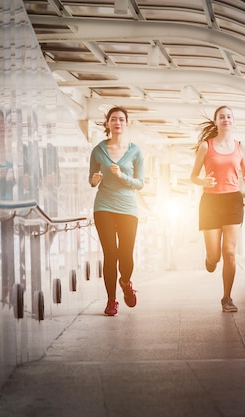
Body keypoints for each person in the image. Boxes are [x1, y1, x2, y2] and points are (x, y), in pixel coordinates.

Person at [190, 105, 245, 312]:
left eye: (229, 116)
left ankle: (227, 298)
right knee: (215, 256)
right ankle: (210, 260)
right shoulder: (206, 147)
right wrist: (203, 181)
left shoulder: (240, 146)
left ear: (232, 121)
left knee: (229, 253)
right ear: (216, 121)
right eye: (221, 117)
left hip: (233, 201)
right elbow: (193, 176)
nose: (226, 119)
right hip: (210, 202)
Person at [89, 107, 144, 317]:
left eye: (121, 119)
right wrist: (94, 180)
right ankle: (111, 301)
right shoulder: (98, 150)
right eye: (113, 119)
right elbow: (91, 178)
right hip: (104, 205)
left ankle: (125, 282)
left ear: (126, 123)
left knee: (126, 254)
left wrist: (122, 176)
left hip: (128, 208)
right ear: (108, 124)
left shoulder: (135, 151)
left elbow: (140, 183)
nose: (117, 122)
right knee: (110, 254)